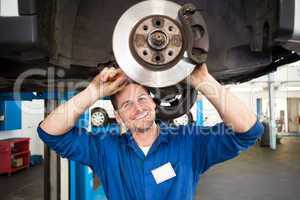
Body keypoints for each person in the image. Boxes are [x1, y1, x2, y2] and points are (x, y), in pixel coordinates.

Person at [37, 64, 264, 200]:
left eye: (142, 98)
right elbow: (50, 132)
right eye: (126, 105)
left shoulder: (190, 141)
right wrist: (93, 92)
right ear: (118, 116)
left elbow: (248, 130)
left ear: (154, 104)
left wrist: (204, 81)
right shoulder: (104, 147)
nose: (137, 108)